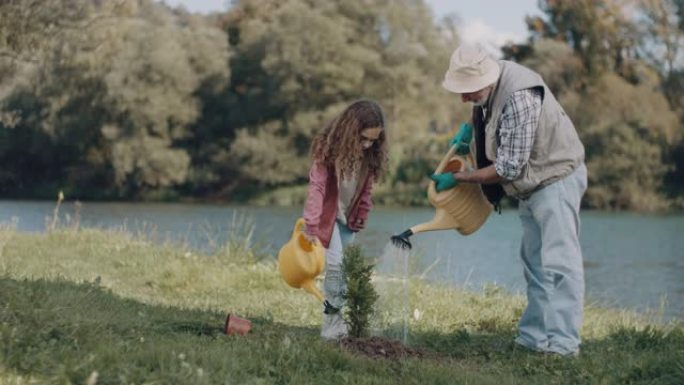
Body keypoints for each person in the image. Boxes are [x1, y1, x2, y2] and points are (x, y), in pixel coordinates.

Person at [431, 44, 587, 356]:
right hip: (531, 186)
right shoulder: (488, 89)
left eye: (467, 91)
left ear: (484, 80)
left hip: (555, 180)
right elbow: (498, 138)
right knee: (535, 264)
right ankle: (534, 338)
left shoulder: (520, 96)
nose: (463, 98)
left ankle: (564, 346)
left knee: (559, 265)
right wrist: (467, 142)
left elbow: (508, 167)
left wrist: (462, 177)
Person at [302, 100, 388, 340]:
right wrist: (311, 223)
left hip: (347, 220)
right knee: (336, 269)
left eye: (373, 140)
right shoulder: (327, 151)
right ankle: (331, 326)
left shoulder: (368, 155)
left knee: (346, 271)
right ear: (350, 132)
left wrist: (362, 213)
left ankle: (343, 322)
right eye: (363, 139)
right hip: (327, 220)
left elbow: (366, 190)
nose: (367, 144)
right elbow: (317, 188)